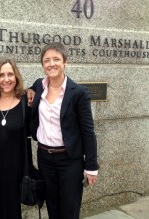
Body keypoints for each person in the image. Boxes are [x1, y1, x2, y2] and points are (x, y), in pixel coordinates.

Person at [30, 42, 99, 219]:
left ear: (65, 62)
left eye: (56, 59)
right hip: (45, 157)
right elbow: (27, 91)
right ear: (42, 64)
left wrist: (91, 166)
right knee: (52, 205)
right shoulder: (39, 86)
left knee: (69, 208)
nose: (51, 64)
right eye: (46, 60)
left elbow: (88, 131)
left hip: (70, 159)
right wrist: (28, 91)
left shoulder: (79, 93)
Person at [0, 59, 30, 219]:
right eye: (1, 75)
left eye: (10, 74)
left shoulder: (26, 101)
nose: (6, 79)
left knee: (11, 211)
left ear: (16, 76)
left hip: (15, 169)